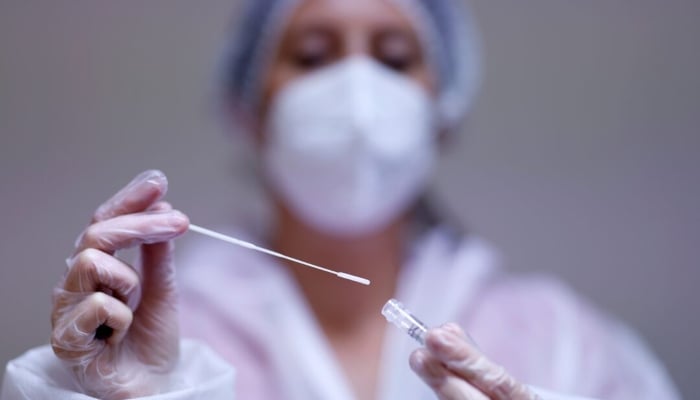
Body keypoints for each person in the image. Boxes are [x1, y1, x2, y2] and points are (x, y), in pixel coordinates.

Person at [0, 0, 680, 399]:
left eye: (393, 57)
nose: (357, 92)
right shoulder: (154, 337)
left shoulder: (561, 340)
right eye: (314, 55)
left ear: (441, 109)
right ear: (251, 107)